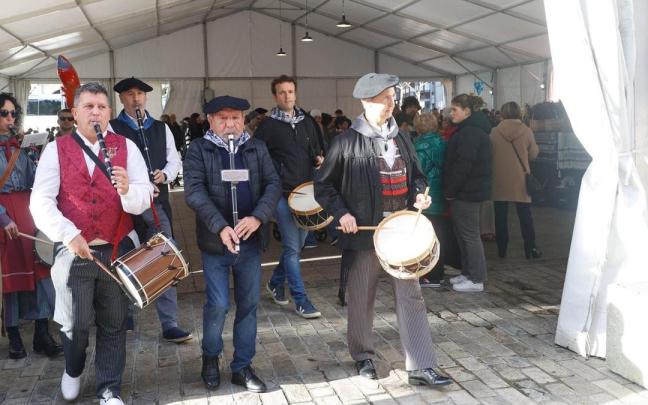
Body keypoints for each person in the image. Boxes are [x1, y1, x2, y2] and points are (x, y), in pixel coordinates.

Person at [315, 72, 452, 388]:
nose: (392, 104)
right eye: (385, 99)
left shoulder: (403, 137)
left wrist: (419, 191)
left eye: (393, 97)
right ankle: (363, 356)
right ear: (366, 101)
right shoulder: (346, 142)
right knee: (361, 296)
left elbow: (417, 175)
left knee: (411, 297)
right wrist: (342, 213)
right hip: (364, 236)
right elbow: (323, 187)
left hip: (401, 231)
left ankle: (421, 365)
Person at [30, 82, 153, 405]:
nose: (96, 112)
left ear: (109, 111)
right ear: (75, 113)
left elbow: (144, 198)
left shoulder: (126, 146)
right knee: (75, 323)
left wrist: (129, 190)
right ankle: (73, 368)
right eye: (89, 106)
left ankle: (109, 387)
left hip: (116, 250)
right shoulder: (56, 149)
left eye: (101, 106)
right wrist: (67, 233)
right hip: (73, 251)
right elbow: (40, 200)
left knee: (114, 322)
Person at [184, 95, 281, 393]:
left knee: (249, 304)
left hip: (250, 243)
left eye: (236, 118)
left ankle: (242, 367)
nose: (230, 124)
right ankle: (210, 359)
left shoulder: (256, 147)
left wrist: (258, 218)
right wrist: (221, 226)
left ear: (244, 120)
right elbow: (194, 192)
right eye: (223, 118)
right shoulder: (199, 149)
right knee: (218, 305)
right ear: (211, 121)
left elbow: (273, 185)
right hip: (216, 243)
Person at [109, 77, 191, 343]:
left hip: (157, 203)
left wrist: (164, 175)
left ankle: (169, 323)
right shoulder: (112, 128)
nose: (136, 98)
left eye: (140, 94)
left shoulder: (160, 127)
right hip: (123, 207)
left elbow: (174, 159)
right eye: (130, 94)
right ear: (121, 98)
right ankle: (124, 316)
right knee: (123, 257)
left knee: (164, 256)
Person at [255, 75, 323, 319]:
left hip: (306, 194)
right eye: (282, 92)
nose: (287, 96)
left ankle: (275, 282)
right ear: (275, 96)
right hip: (282, 195)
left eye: (291, 91)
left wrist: (318, 159)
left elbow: (316, 149)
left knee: (300, 245)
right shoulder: (268, 126)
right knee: (293, 248)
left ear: (296, 93)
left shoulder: (306, 122)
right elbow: (257, 159)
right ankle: (301, 299)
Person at [0, 93, 62, 360]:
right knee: (11, 276)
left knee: (40, 272)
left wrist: (36, 154)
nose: (10, 118)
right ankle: (13, 334)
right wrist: (3, 218)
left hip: (28, 210)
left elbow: (37, 181)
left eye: (14, 113)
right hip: (4, 214)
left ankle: (41, 333)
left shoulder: (21, 146)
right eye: (4, 113)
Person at [443, 94, 492, 293]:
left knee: (469, 235)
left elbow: (463, 165)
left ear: (467, 111)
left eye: (455, 109)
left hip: (467, 192)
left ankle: (477, 278)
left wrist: (451, 190)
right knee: (462, 234)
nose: (451, 113)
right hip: (467, 191)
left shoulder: (470, 133)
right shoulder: (468, 130)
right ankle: (468, 273)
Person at [490, 101, 542, 259]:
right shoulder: (526, 131)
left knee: (500, 216)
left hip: (499, 178)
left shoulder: (494, 132)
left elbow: (489, 153)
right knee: (525, 216)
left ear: (503, 113)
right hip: (520, 178)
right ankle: (530, 248)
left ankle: (502, 250)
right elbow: (533, 154)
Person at [413, 112, 447, 288]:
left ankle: (430, 275)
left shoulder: (420, 146)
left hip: (426, 196)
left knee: (425, 237)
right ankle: (438, 273)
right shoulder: (442, 142)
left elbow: (419, 173)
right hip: (440, 192)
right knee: (438, 234)